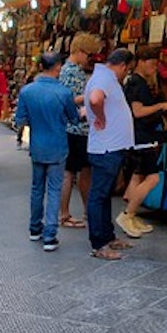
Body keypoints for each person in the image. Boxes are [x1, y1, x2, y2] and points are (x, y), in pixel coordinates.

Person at [14, 52, 80, 252]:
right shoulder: (64, 93)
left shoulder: (27, 91)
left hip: (37, 145)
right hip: (58, 145)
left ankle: (35, 228)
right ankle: (50, 234)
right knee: (53, 189)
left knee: (37, 188)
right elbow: (74, 119)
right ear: (57, 67)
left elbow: (20, 120)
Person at [84, 48, 136, 261]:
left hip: (108, 147)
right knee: (98, 196)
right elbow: (96, 99)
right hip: (107, 148)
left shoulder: (103, 77)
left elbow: (90, 99)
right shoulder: (105, 79)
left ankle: (107, 236)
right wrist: (100, 117)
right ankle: (99, 244)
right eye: (128, 69)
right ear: (122, 65)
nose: (126, 73)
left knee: (103, 195)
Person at [119, 47, 167, 239]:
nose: (154, 67)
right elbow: (138, 111)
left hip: (140, 136)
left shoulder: (137, 82)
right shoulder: (137, 84)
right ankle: (127, 215)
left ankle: (131, 215)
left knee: (138, 175)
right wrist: (161, 106)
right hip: (142, 137)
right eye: (152, 63)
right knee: (152, 178)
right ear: (141, 61)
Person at [59, 34, 100, 229]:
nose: (89, 59)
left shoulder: (66, 69)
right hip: (77, 128)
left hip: (74, 128)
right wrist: (91, 94)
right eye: (88, 54)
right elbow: (71, 99)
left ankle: (82, 211)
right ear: (81, 51)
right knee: (73, 172)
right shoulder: (73, 71)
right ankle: (66, 214)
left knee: (77, 172)